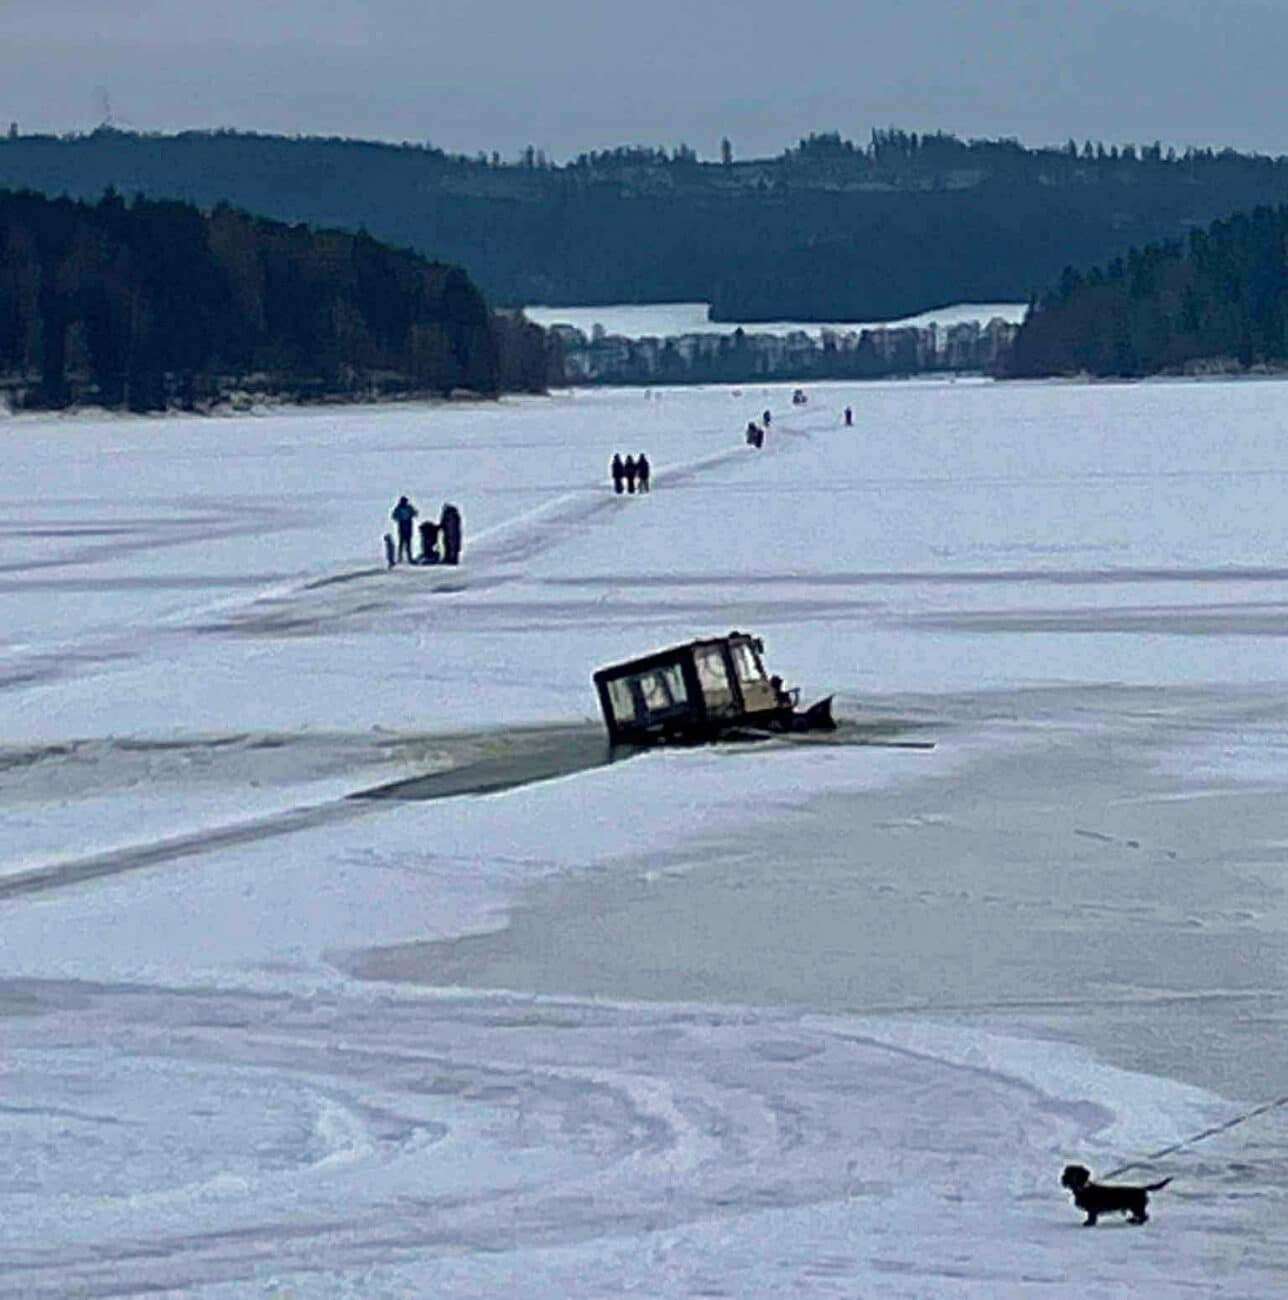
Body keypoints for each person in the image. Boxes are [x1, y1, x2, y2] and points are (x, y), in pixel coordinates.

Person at [390, 495, 417, 564]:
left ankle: (409, 557)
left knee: (408, 543)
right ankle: (400, 558)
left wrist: (411, 515)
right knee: (401, 542)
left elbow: (415, 513)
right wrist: (400, 518)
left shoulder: (409, 507)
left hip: (408, 525)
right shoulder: (398, 508)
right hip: (402, 525)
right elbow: (394, 516)